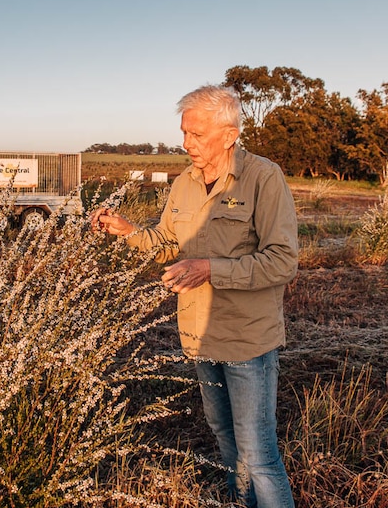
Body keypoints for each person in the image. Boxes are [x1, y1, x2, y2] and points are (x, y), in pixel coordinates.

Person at [91, 85, 298, 507]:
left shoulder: (263, 177)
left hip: (247, 341)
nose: (186, 143)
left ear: (229, 134)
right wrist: (129, 231)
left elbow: (282, 262)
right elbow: (170, 242)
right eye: (184, 132)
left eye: (197, 135)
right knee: (225, 441)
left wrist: (210, 269)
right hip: (199, 337)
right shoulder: (184, 183)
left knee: (257, 453)